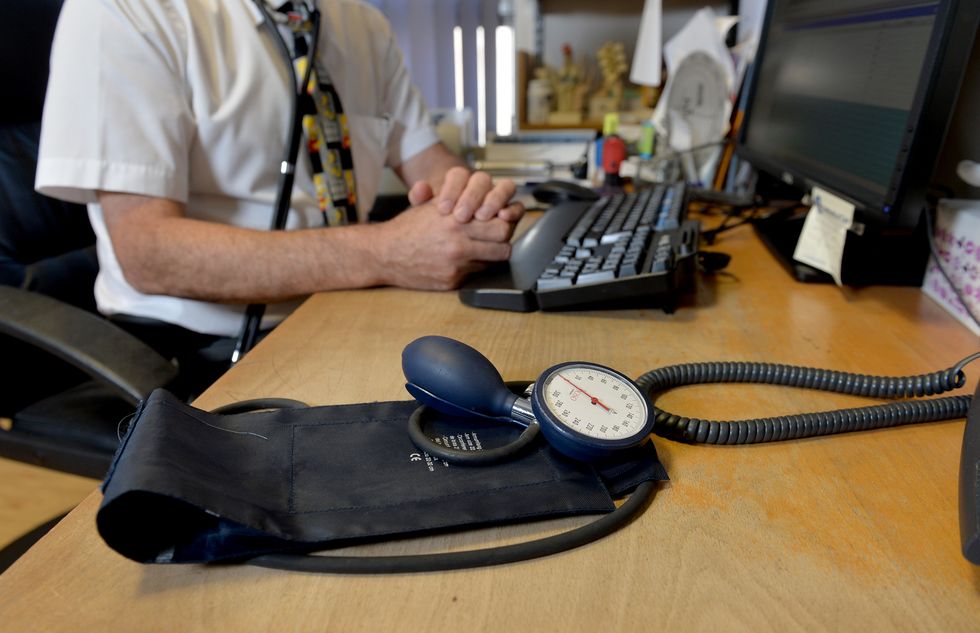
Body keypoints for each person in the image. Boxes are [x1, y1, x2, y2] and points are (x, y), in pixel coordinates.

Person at [35, 0, 523, 391]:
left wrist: (468, 200)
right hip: (199, 353)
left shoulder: (362, 23)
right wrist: (386, 252)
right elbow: (147, 251)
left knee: (514, 382)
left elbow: (431, 161)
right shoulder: (125, 11)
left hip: (348, 309)